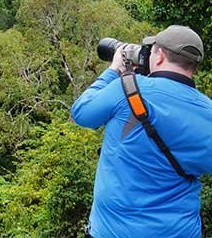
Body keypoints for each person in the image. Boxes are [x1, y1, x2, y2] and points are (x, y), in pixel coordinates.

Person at [72, 25, 212, 238]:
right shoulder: (208, 112)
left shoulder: (127, 89)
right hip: (179, 231)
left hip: (114, 231)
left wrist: (113, 71)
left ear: (160, 55)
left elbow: (82, 113)